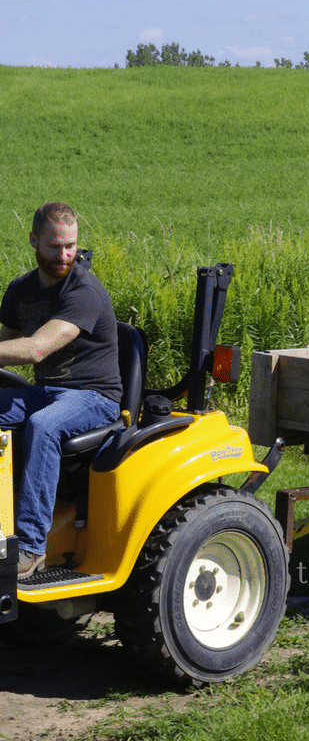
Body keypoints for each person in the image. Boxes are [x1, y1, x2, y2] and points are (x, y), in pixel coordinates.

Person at [0, 202, 122, 579]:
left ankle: (31, 548)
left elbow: (36, 348)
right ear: (34, 241)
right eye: (54, 247)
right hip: (49, 390)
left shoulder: (83, 290)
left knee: (44, 425)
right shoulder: (21, 290)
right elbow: (4, 346)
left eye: (70, 246)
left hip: (94, 396)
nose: (64, 255)